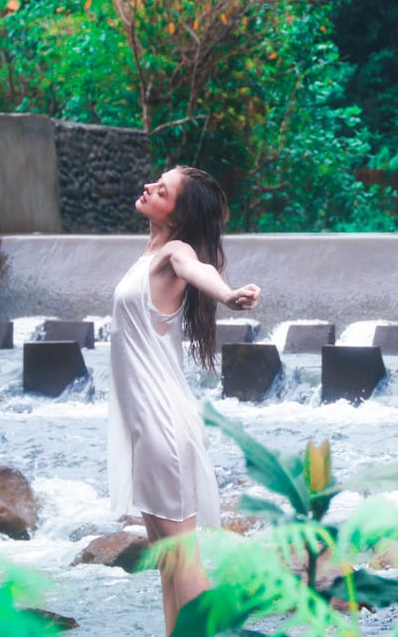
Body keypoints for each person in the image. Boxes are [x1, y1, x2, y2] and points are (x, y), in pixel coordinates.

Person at [106, 165, 260, 634]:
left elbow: (199, 270)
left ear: (179, 213)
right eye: (156, 180)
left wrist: (229, 295)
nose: (149, 186)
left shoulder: (175, 252)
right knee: (169, 562)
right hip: (145, 426)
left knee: (184, 560)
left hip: (163, 427)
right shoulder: (148, 254)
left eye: (164, 189)